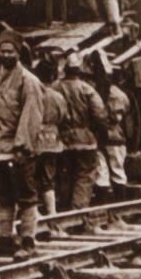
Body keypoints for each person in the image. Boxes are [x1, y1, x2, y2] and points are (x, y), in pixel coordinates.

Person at [0, 29, 44, 255]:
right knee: (3, 195)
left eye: (10, 51)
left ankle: (28, 240)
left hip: (19, 149)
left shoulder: (28, 81)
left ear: (18, 53)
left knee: (26, 195)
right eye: (2, 51)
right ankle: (4, 238)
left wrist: (22, 146)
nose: (6, 55)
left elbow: (31, 115)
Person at [56, 53, 108, 210]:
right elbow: (100, 114)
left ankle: (65, 211)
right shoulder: (87, 89)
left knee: (65, 175)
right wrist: (101, 135)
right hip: (85, 140)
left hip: (61, 140)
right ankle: (78, 212)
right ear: (79, 70)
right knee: (84, 175)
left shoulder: (54, 87)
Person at [33, 53, 66, 225]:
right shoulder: (57, 97)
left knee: (31, 176)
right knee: (48, 178)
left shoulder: (33, 92)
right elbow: (62, 116)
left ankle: (35, 212)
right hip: (52, 141)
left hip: (34, 140)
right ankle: (52, 214)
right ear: (53, 76)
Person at [97, 68, 132, 202]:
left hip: (100, 137)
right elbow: (120, 117)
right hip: (115, 137)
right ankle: (118, 209)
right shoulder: (119, 95)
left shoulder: (97, 91)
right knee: (118, 171)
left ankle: (104, 207)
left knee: (102, 173)